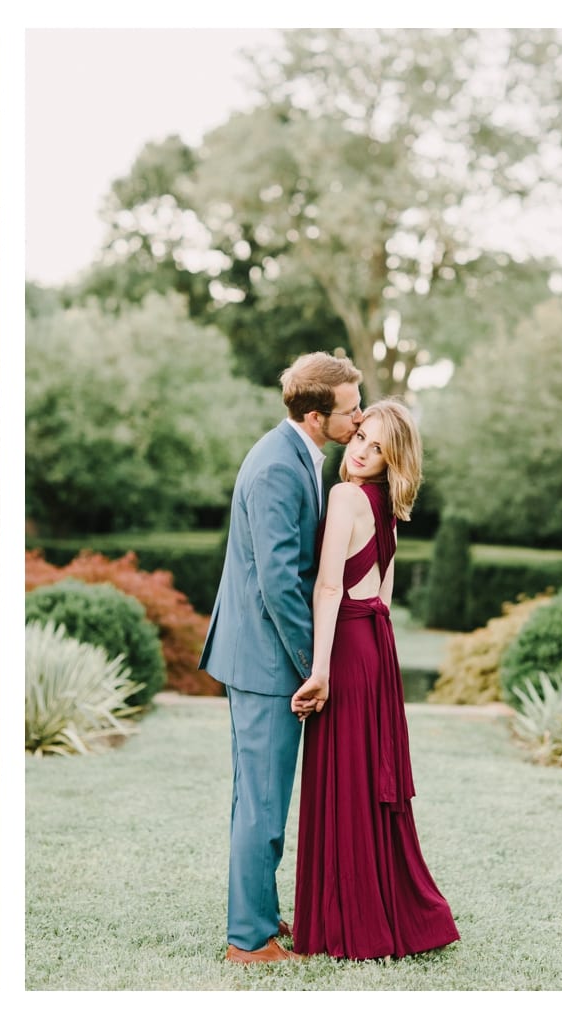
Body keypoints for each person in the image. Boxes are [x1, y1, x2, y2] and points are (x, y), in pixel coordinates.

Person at [198, 351, 364, 964]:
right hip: (267, 664)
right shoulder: (276, 467)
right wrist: (311, 665)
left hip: (267, 659)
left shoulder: (298, 456)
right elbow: (277, 582)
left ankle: (261, 917)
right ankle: (248, 939)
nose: (360, 419)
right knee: (262, 805)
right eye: (351, 410)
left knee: (264, 798)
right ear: (319, 416)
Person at [290, 399, 459, 960]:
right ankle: (380, 909)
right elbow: (383, 595)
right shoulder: (385, 506)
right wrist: (375, 659)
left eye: (377, 447)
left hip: (347, 649)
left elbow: (328, 588)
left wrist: (319, 671)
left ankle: (347, 916)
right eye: (362, 436)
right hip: (376, 649)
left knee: (346, 776)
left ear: (392, 459)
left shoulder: (344, 496)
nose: (361, 450)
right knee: (366, 779)